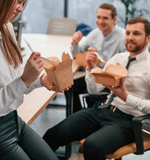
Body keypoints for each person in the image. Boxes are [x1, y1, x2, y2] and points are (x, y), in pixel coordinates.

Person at [43, 17, 150, 160]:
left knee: (91, 146)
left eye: (136, 34)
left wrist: (126, 97)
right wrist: (91, 69)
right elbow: (94, 90)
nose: (130, 37)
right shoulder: (118, 58)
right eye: (128, 33)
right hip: (103, 109)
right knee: (52, 135)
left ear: (148, 38)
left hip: (129, 120)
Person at [0, 0, 67, 160]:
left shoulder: (4, 27)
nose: (20, 9)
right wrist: (24, 80)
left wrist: (40, 81)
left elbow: (15, 81)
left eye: (23, 3)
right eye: (18, 1)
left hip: (13, 120)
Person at [70, 3, 126, 112]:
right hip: (95, 74)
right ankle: (75, 116)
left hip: (112, 79)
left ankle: (90, 115)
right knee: (71, 86)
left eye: (105, 18)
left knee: (93, 94)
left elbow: (126, 65)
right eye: (98, 17)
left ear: (114, 19)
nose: (100, 21)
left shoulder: (123, 37)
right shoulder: (95, 33)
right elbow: (76, 54)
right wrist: (75, 43)